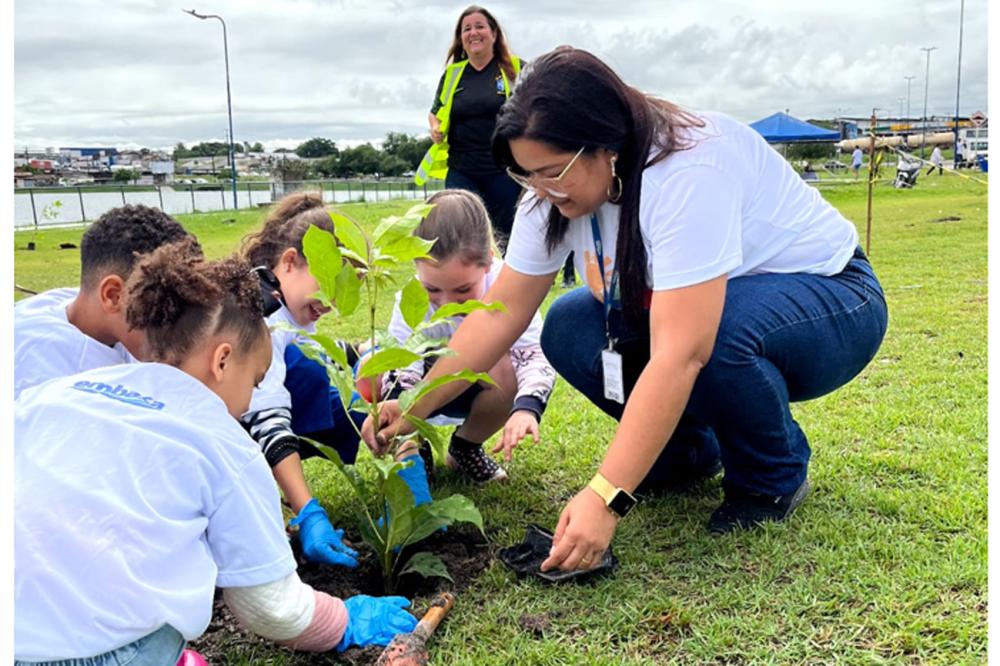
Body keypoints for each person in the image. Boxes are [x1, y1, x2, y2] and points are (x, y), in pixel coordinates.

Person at [364, 47, 888, 573]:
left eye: (552, 172)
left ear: (606, 144)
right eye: (527, 176)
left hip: (833, 301)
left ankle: (771, 476)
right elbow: (500, 315)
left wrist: (606, 496)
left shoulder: (689, 167)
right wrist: (413, 406)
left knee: (717, 335)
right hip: (712, 311)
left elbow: (683, 351)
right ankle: (684, 456)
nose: (541, 191)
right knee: (571, 325)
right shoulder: (548, 195)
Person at [14, 242, 417, 664]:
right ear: (222, 361)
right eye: (256, 380)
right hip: (79, 654)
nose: (251, 398)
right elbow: (272, 610)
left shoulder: (60, 390)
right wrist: (344, 619)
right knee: (156, 631)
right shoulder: (222, 441)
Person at [369, 189, 555, 484]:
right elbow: (402, 363)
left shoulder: (509, 288)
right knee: (375, 370)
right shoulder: (411, 299)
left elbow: (532, 354)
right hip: (421, 391)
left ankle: (465, 447)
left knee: (506, 367)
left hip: (481, 391)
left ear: (488, 262)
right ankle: (412, 448)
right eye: (432, 290)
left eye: (463, 290)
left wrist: (527, 407)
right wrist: (404, 408)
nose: (446, 304)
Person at [239, 193, 368, 568]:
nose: (330, 303)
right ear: (291, 262)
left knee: (339, 384)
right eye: (328, 285)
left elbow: (313, 342)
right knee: (312, 374)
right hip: (243, 432)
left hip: (263, 422)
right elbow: (268, 417)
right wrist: (308, 511)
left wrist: (362, 351)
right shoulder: (260, 316)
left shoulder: (280, 299)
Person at [14, 204, 198, 399]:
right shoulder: (38, 378)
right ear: (113, 296)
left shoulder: (88, 306)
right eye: (166, 311)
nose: (178, 329)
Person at [414, 5, 524, 251]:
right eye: (467, 29)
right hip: (462, 169)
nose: (473, 33)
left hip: (503, 171)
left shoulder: (515, 69)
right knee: (462, 233)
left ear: (494, 34)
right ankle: (467, 286)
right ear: (461, 39)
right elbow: (435, 111)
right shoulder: (453, 75)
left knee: (506, 237)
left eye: (479, 26)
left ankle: (504, 287)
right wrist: (435, 127)